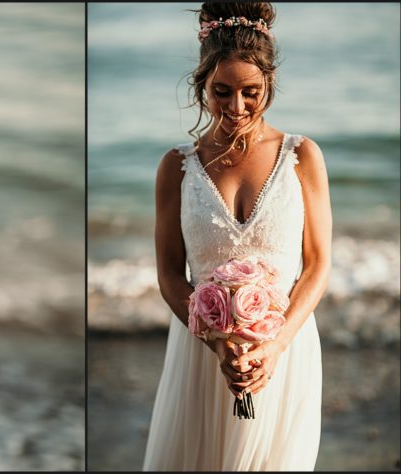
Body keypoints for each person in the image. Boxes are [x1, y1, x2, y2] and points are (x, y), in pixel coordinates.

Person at [144, 2, 330, 470]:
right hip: (201, 352)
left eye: (252, 92)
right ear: (201, 85)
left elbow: (317, 264)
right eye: (221, 92)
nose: (237, 107)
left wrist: (274, 346)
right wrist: (216, 341)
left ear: (269, 83)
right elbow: (168, 273)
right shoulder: (176, 166)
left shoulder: (302, 155)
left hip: (284, 351)